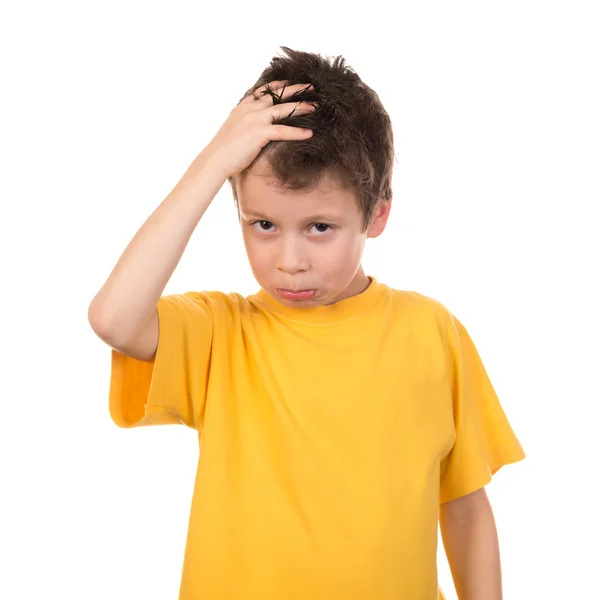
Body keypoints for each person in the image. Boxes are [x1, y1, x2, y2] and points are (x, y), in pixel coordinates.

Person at [88, 46, 526, 600]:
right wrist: (214, 162)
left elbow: (463, 507)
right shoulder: (222, 333)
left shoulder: (432, 333)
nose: (288, 259)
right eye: (263, 223)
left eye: (319, 227)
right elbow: (112, 317)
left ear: (377, 215)